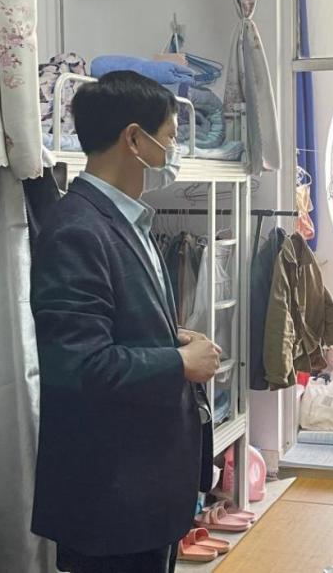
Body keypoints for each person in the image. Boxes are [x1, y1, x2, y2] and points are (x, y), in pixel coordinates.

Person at [30, 71, 221, 573]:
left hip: (145, 491)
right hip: (109, 500)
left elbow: (117, 328)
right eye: (170, 138)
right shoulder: (77, 229)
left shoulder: (127, 220)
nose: (173, 153)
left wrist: (172, 339)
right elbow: (80, 366)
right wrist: (181, 363)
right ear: (134, 139)